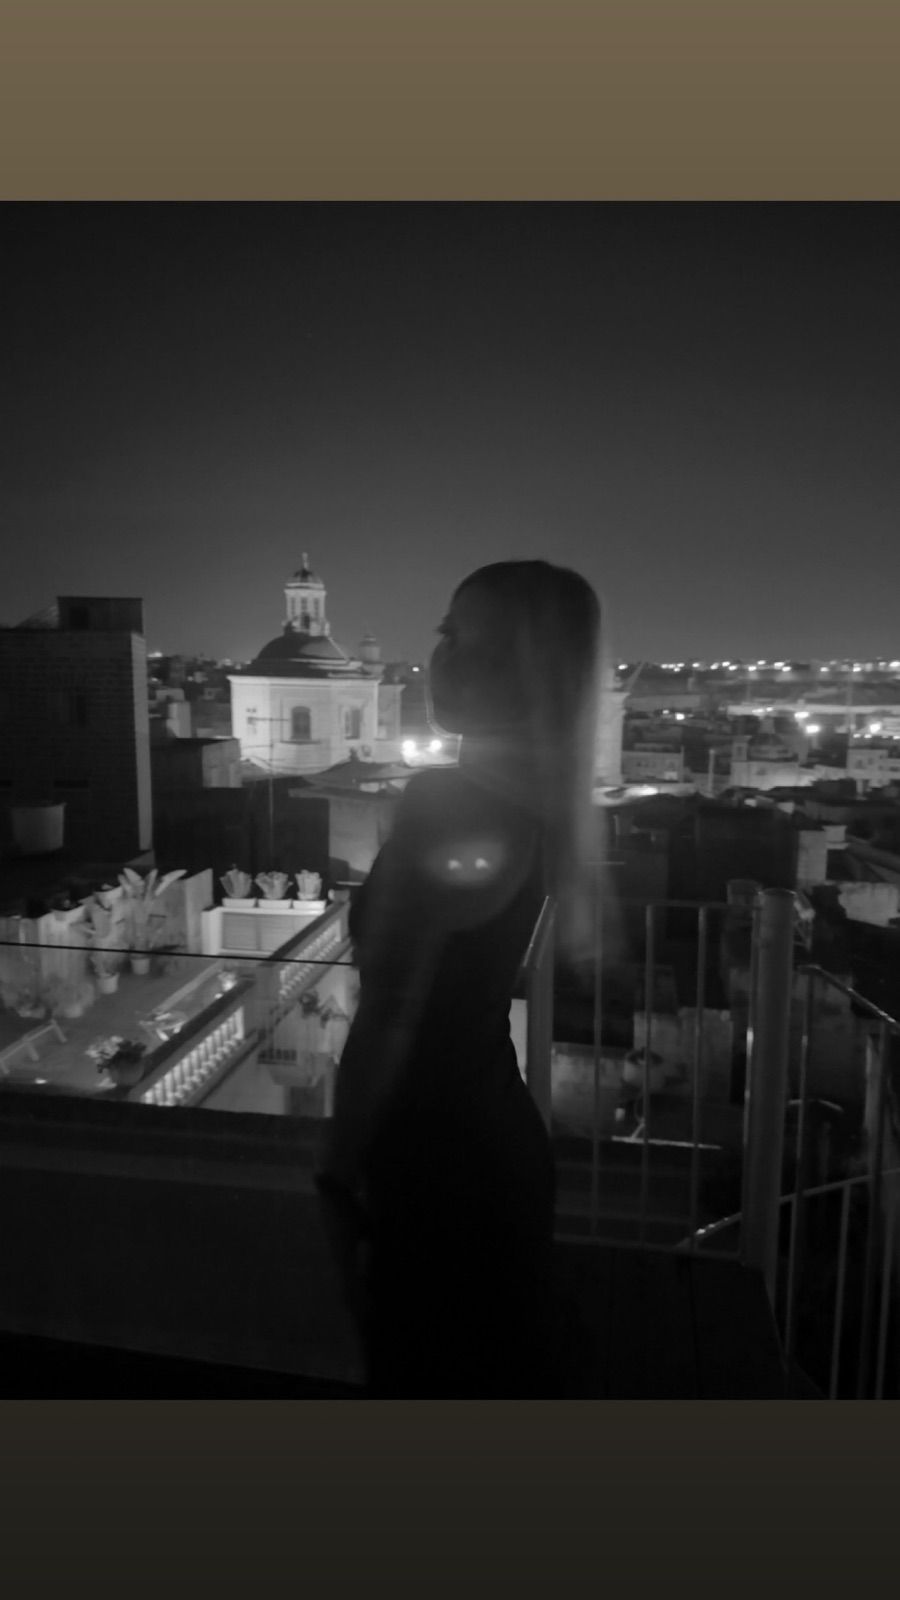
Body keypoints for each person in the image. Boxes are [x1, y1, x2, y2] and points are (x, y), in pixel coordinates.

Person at [315, 560, 603, 1397]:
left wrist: (336, 1167)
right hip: (490, 1141)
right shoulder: (541, 799)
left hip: (432, 1160)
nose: (447, 660)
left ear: (535, 674)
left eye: (485, 648)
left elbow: (392, 1012)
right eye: (447, 635)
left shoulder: (449, 802)